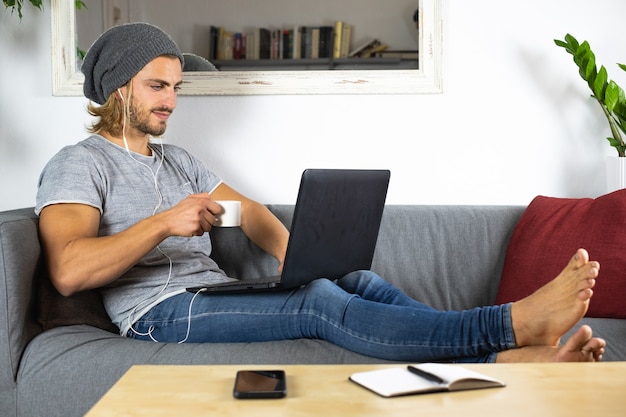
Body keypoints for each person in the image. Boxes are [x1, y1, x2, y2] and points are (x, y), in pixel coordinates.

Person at [36, 23, 605, 363]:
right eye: (158, 86)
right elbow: (69, 268)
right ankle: (504, 328)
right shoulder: (79, 165)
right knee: (320, 305)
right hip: (160, 313)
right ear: (116, 88)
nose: (172, 101)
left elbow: (247, 212)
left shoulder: (178, 161)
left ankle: (504, 356)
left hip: (211, 295)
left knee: (351, 281)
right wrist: (163, 222)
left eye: (176, 87)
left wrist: (291, 254)